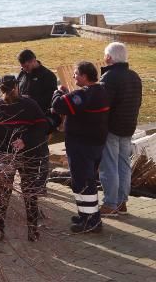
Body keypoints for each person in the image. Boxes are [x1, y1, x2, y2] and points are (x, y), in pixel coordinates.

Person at [0, 75, 49, 242]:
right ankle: (33, 232)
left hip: (3, 154)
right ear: (16, 86)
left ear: (0, 88)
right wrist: (25, 141)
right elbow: (42, 125)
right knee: (29, 192)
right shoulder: (29, 104)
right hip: (28, 154)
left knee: (3, 193)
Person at [51, 62, 110, 233]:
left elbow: (58, 105)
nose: (74, 76)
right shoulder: (101, 91)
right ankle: (85, 214)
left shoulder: (85, 95)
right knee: (85, 180)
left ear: (84, 76)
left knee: (83, 182)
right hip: (95, 143)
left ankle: (91, 221)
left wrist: (58, 92)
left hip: (82, 145)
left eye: (76, 74)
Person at [98, 42, 143, 216]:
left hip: (112, 127)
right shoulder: (134, 76)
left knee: (109, 166)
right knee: (124, 164)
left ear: (109, 57)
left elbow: (102, 105)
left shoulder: (109, 77)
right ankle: (122, 202)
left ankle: (110, 204)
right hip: (129, 125)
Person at [16, 49, 58, 114]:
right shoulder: (22, 73)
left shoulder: (48, 75)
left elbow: (51, 98)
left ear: (33, 61)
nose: (24, 69)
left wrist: (30, 100)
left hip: (40, 113)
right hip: (22, 112)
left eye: (26, 66)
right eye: (22, 67)